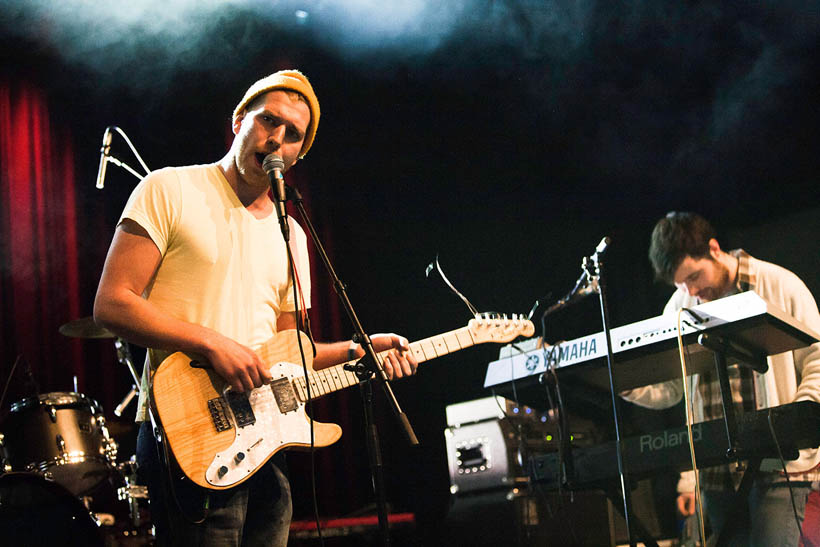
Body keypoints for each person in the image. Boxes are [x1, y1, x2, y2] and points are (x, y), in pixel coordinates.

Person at [94, 70, 418, 546]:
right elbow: (111, 303)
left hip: (266, 441)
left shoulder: (293, 235)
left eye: (293, 135)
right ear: (239, 120)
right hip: (187, 434)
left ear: (299, 154)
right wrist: (210, 341)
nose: (277, 139)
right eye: (269, 121)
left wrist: (358, 349)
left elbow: (291, 350)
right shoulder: (168, 189)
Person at [622, 212, 820, 546]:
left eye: (694, 277)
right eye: (682, 284)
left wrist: (796, 419)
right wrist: (624, 383)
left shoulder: (778, 284)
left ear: (714, 249)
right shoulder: (680, 305)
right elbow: (674, 388)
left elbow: (817, 357)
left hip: (776, 462)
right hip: (717, 472)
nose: (693, 290)